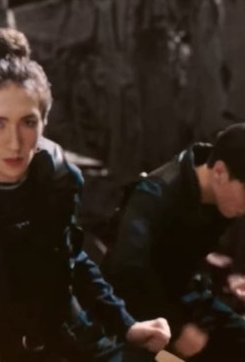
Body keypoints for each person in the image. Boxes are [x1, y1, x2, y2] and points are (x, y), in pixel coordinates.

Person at [0, 28, 171, 361]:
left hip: (51, 343)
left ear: (44, 122)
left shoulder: (57, 178)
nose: (14, 142)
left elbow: (69, 259)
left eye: (28, 122)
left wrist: (126, 325)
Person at [101, 122, 245, 360]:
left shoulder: (222, 197)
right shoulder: (154, 195)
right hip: (131, 310)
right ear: (219, 172)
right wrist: (177, 327)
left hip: (184, 296)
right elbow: (124, 273)